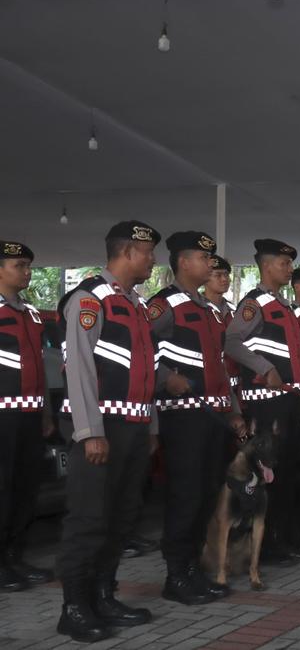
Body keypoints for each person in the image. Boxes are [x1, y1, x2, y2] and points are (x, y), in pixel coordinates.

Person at [56, 221, 162, 642]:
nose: (153, 260)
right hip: (101, 428)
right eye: (148, 252)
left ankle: (103, 595)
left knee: (121, 518)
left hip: (133, 427)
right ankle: (74, 608)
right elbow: (78, 366)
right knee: (89, 519)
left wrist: (151, 425)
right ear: (127, 252)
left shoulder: (136, 304)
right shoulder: (90, 298)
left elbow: (147, 371)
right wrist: (88, 431)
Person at [148, 231, 246, 604]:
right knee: (185, 496)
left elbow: (219, 367)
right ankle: (176, 575)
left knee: (206, 496)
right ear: (183, 262)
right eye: (204, 259)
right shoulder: (164, 305)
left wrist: (233, 411)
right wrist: (165, 378)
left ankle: (192, 570)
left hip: (213, 418)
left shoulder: (207, 309)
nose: (210, 264)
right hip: (183, 419)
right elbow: (141, 351)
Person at [224, 239, 300, 557]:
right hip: (267, 403)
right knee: (270, 473)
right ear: (265, 266)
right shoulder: (255, 303)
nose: (289, 269)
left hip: (288, 400)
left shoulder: (283, 305)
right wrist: (265, 367)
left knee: (286, 470)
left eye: (290, 263)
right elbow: (231, 341)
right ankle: (269, 545)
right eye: (283, 263)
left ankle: (282, 537)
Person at [0, 241, 54, 593]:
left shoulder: (32, 314)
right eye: (19, 265)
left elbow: (41, 368)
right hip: (2, 416)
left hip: (30, 415)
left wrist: (46, 411)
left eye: (28, 265)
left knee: (25, 489)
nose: (27, 272)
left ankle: (14, 557)